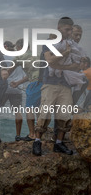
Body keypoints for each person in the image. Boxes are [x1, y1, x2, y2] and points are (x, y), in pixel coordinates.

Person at [32, 17, 79, 156]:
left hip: (65, 84)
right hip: (50, 83)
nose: (70, 32)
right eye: (67, 29)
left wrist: (61, 65)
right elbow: (50, 60)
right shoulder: (48, 43)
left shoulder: (71, 44)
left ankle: (58, 143)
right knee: (44, 113)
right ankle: (37, 141)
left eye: (71, 29)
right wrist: (65, 53)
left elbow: (76, 66)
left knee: (64, 114)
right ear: (59, 28)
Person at [1, 41, 27, 141]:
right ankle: (18, 135)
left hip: (5, 87)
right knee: (17, 112)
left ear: (5, 46)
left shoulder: (3, 57)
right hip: (17, 88)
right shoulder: (20, 57)